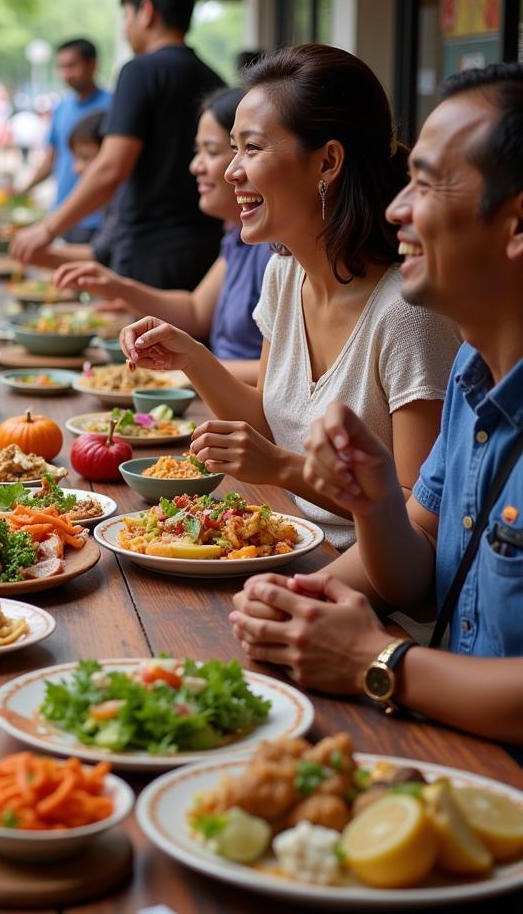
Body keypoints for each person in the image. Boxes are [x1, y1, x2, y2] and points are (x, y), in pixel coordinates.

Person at [230, 62, 523, 746]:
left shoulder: (414, 324)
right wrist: (367, 516)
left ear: (515, 225)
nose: (397, 208)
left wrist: (376, 660)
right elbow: (419, 562)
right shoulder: (472, 375)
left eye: (424, 184)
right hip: (447, 750)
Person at [119, 44, 462, 549]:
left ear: (327, 161)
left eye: (251, 148)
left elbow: (416, 517)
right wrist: (191, 357)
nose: (232, 170)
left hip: (366, 585)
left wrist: (284, 469)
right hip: (285, 537)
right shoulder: (283, 276)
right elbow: (269, 424)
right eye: (232, 148)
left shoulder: (408, 315)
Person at [12, 0, 224, 290]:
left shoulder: (139, 71)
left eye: (127, 16)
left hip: (149, 250)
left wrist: (48, 229)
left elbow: (112, 166)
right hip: (206, 249)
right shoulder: (214, 79)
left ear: (146, 12)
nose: (126, 29)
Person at [54, 87, 270, 385]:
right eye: (199, 151)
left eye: (212, 151)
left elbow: (284, 377)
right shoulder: (238, 237)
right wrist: (119, 287)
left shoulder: (279, 250)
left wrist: (186, 367)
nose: (195, 166)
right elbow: (195, 311)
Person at [18, 38, 113, 243]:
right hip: (62, 215)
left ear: (93, 64)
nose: (66, 74)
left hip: (97, 219)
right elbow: (51, 159)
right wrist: (22, 190)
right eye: (61, 67)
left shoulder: (114, 106)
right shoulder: (61, 108)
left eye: (72, 66)